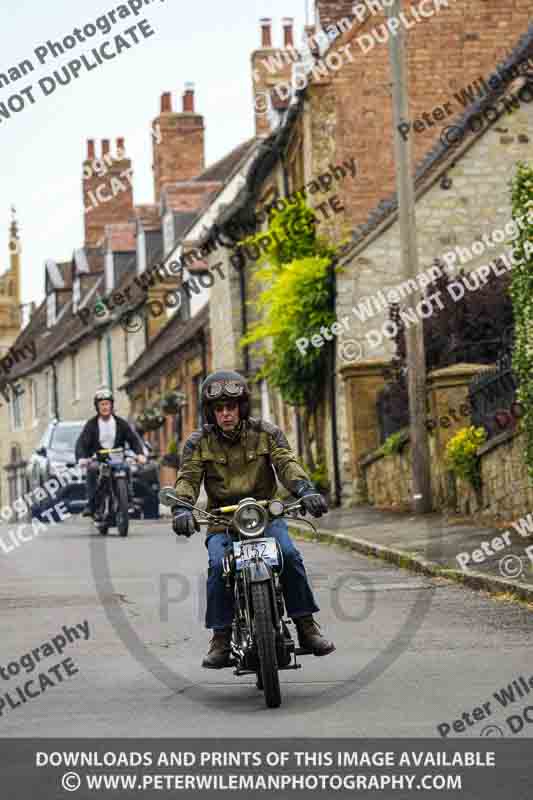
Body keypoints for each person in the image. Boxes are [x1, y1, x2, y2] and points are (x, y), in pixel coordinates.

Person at [171, 370, 335, 669]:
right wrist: (181, 508)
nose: (226, 414)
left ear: (241, 408)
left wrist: (306, 490)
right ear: (211, 412)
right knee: (219, 566)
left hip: (265, 515)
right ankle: (220, 638)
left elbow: (287, 463)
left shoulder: (267, 433)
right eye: (219, 409)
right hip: (222, 520)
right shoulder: (198, 443)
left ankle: (306, 627)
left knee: (289, 556)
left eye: (230, 407)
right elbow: (188, 479)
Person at [76, 389, 146, 519]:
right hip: (99, 459)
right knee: (92, 469)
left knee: (125, 468)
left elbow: (133, 440)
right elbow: (82, 443)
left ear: (111, 405)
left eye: (107, 404)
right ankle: (92, 505)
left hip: (118, 459)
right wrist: (82, 458)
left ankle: (128, 501)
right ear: (97, 407)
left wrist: (140, 454)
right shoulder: (91, 425)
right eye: (101, 404)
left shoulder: (121, 423)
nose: (105, 407)